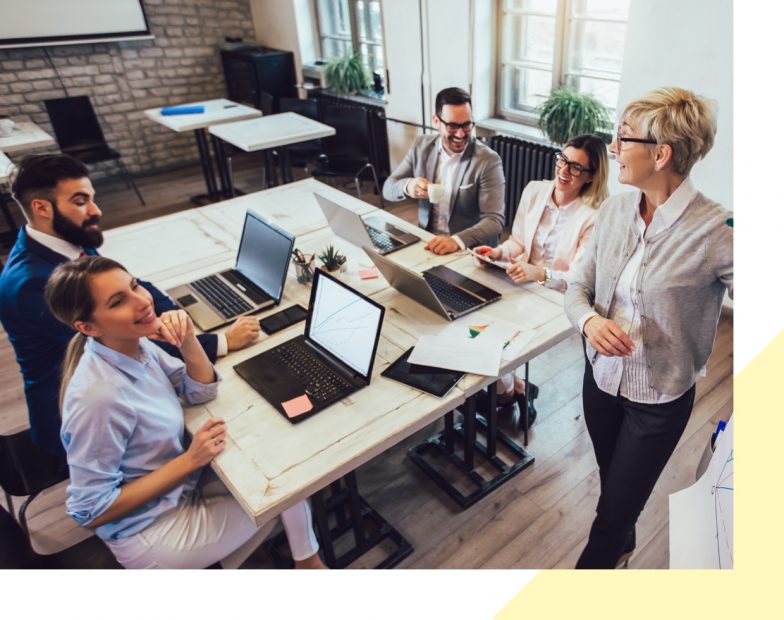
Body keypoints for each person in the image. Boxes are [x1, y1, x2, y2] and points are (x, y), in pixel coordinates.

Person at [44, 256, 325, 569]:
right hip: (152, 531)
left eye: (135, 285)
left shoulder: (133, 345)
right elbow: (91, 510)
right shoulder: (98, 398)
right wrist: (190, 460)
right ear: (88, 326)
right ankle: (308, 564)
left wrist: (188, 339)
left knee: (282, 469)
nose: (142, 302)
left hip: (180, 490)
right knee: (290, 490)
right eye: (118, 301)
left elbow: (199, 390)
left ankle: (297, 561)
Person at [564, 87, 733, 569]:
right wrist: (590, 320)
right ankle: (624, 530)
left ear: (660, 154)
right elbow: (576, 286)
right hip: (599, 382)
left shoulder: (718, 227)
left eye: (622, 138)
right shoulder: (616, 209)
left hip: (657, 400)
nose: (612, 148)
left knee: (609, 517)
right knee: (614, 485)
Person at [0, 154, 260, 457]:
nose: (96, 210)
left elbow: (138, 285)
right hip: (88, 425)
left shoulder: (68, 239)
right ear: (41, 207)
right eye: (81, 201)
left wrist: (172, 319)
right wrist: (222, 341)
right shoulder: (31, 286)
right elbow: (122, 339)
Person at [477, 135, 609, 427]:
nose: (563, 171)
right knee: (478, 323)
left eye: (575, 168)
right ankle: (515, 390)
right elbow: (518, 242)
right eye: (562, 160)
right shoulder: (535, 190)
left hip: (557, 298)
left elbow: (579, 277)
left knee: (498, 336)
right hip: (519, 283)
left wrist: (540, 274)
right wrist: (498, 252)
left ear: (590, 176)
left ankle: (505, 393)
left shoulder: (594, 216)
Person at [383, 87, 505, 254]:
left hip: (468, 249)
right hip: (428, 242)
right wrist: (408, 186)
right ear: (436, 121)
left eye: (467, 125)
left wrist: (456, 241)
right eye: (453, 126)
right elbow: (388, 188)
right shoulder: (421, 146)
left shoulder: (488, 160)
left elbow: (494, 220)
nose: (461, 134)